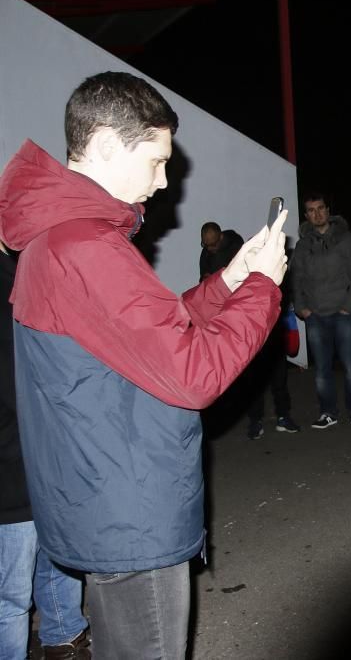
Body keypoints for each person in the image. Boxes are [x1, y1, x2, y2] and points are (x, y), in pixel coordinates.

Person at [0, 71, 287, 659]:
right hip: (128, 507)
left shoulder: (61, 239)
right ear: (107, 144)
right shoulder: (86, 246)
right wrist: (263, 288)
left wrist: (229, 281)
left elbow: (144, 335)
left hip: (103, 496)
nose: (164, 181)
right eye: (156, 160)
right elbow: (192, 375)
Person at [0, 243, 90, 660]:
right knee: (10, 594)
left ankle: (64, 638)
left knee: (57, 554)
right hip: (12, 461)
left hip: (43, 452)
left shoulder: (20, 269)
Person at [199, 222, 300, 440]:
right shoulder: (206, 253)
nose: (210, 250)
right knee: (252, 379)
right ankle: (256, 421)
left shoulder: (241, 251)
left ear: (221, 239)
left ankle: (284, 415)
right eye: (206, 246)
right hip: (240, 323)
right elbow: (204, 283)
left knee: (278, 376)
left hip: (264, 323)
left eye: (213, 246)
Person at [291, 191, 351, 430]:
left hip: (343, 313)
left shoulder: (346, 240)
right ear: (306, 215)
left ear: (328, 210)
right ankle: (328, 412)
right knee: (322, 370)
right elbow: (297, 278)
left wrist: (349, 306)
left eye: (321, 208)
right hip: (315, 315)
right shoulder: (303, 245)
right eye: (311, 210)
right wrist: (301, 307)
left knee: (350, 367)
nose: (317, 214)